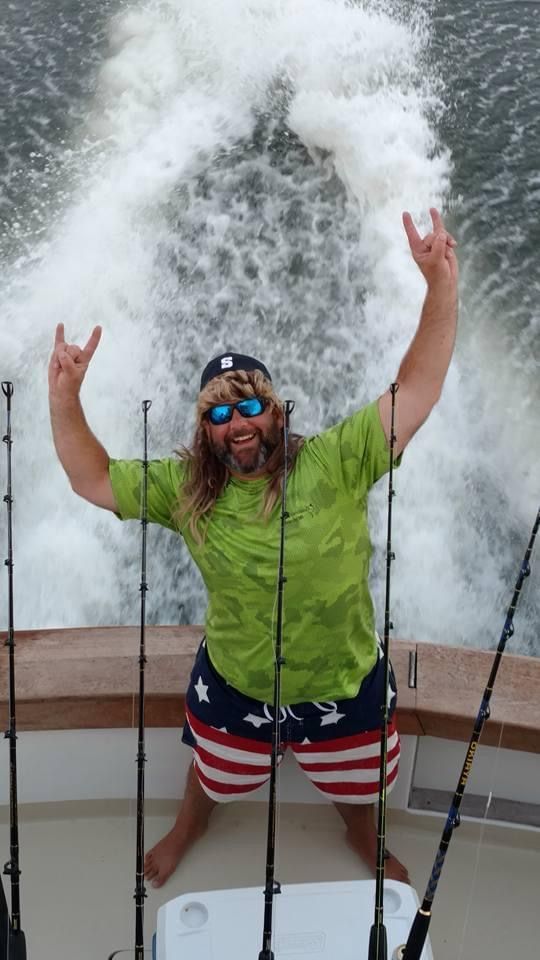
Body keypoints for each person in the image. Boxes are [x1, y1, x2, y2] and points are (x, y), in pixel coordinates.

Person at [48, 208, 458, 889]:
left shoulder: (336, 460)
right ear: (204, 429)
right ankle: (192, 824)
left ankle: (360, 831)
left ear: (275, 411)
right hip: (236, 684)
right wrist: (65, 396)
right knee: (214, 773)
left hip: (344, 681)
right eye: (216, 412)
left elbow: (415, 390)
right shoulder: (187, 491)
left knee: (360, 786)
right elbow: (90, 478)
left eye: (248, 406)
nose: (234, 422)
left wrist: (439, 283)